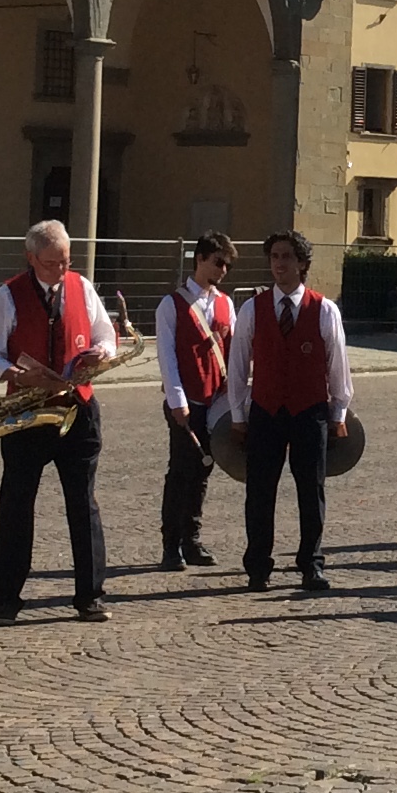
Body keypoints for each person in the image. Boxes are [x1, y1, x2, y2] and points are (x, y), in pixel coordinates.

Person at [0, 220, 118, 623]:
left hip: (78, 408)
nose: (62, 269)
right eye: (52, 262)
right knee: (16, 504)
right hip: (26, 411)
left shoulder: (82, 286)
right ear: (31, 258)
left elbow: (105, 334)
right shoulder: (8, 295)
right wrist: (15, 375)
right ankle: (4, 600)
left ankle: (90, 595)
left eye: (66, 261)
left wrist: (100, 353)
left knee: (83, 503)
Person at [228, 230, 354, 593]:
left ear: (302, 264)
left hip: (310, 410)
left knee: (310, 490)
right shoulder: (253, 308)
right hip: (265, 411)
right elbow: (238, 366)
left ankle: (311, 564)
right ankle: (257, 566)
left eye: (286, 257)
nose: (279, 264)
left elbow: (337, 366)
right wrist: (238, 414)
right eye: (274, 257)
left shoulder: (324, 309)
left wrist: (339, 413)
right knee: (259, 491)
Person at [154, 232, 237, 574]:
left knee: (204, 469)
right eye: (218, 262)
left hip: (215, 399)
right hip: (185, 400)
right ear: (200, 259)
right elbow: (166, 356)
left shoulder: (225, 304)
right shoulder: (171, 304)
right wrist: (177, 401)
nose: (223, 271)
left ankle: (192, 538)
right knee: (181, 471)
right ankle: (171, 544)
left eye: (227, 265)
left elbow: (232, 352)